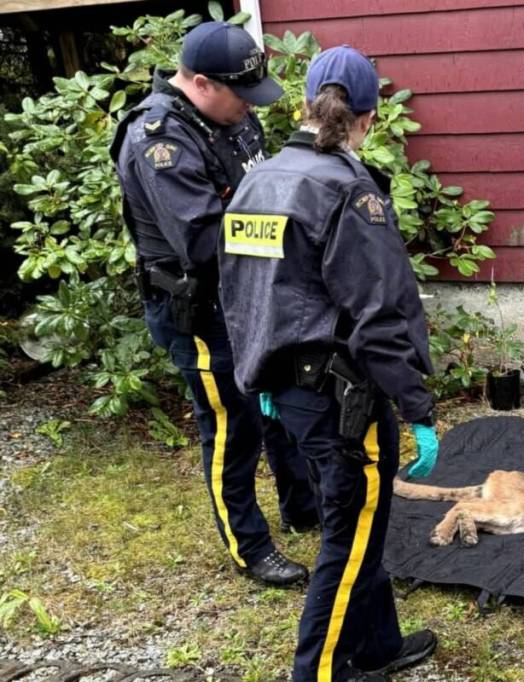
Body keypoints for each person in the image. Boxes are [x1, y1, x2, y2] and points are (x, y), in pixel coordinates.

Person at [217, 46, 439, 681]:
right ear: (368, 117)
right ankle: (318, 671)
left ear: (307, 103)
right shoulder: (348, 191)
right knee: (350, 537)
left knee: (355, 522)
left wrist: (255, 374)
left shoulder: (258, 179)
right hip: (342, 400)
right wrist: (417, 408)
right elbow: (381, 314)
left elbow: (239, 291)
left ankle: (378, 647)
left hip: (287, 391)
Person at [110, 21, 316, 587]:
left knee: (277, 404)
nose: (250, 110)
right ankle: (249, 546)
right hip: (198, 310)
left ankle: (303, 506)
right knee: (232, 425)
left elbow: (266, 183)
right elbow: (204, 242)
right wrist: (289, 235)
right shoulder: (159, 140)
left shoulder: (230, 117)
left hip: (250, 298)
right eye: (240, 97)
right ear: (201, 83)